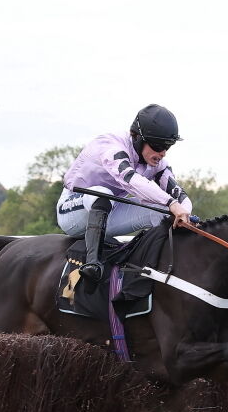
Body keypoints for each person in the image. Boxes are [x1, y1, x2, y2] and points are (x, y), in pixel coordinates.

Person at [57, 104, 196, 284]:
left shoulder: (157, 162)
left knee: (164, 212)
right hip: (73, 212)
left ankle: (159, 267)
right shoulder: (111, 146)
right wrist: (172, 203)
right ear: (137, 138)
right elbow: (132, 179)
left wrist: (185, 212)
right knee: (103, 193)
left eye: (167, 146)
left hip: (109, 213)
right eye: (157, 145)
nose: (162, 153)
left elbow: (178, 195)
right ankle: (93, 264)